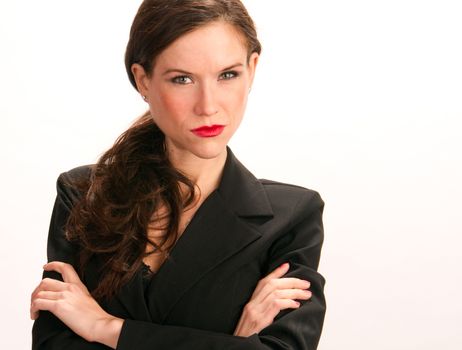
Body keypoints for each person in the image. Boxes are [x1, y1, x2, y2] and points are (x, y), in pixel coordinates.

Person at [30, 0, 326, 349]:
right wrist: (233, 342)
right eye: (182, 79)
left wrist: (106, 328)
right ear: (143, 80)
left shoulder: (291, 217)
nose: (208, 105)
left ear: (253, 69)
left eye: (228, 75)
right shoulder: (82, 194)